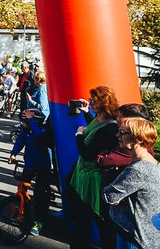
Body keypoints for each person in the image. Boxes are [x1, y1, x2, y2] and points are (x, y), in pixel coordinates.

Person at [68, 85, 120, 249]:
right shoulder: (101, 120)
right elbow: (96, 129)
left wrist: (78, 136)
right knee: (84, 220)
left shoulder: (111, 128)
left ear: (103, 103)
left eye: (93, 100)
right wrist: (86, 112)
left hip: (93, 182)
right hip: (83, 178)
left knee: (98, 223)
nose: (90, 101)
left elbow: (88, 153)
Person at [103, 117, 160, 249]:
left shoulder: (137, 169)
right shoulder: (153, 163)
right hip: (149, 235)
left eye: (123, 133)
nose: (118, 136)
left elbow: (108, 196)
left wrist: (120, 197)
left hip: (133, 237)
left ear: (139, 138)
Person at [8, 109, 52, 236]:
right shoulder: (26, 130)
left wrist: (31, 121)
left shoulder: (42, 130)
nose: (23, 124)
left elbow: (39, 136)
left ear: (35, 121)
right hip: (29, 164)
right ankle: (19, 207)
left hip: (42, 165)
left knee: (40, 194)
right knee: (22, 186)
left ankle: (38, 222)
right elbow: (20, 141)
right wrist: (13, 154)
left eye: (25, 121)